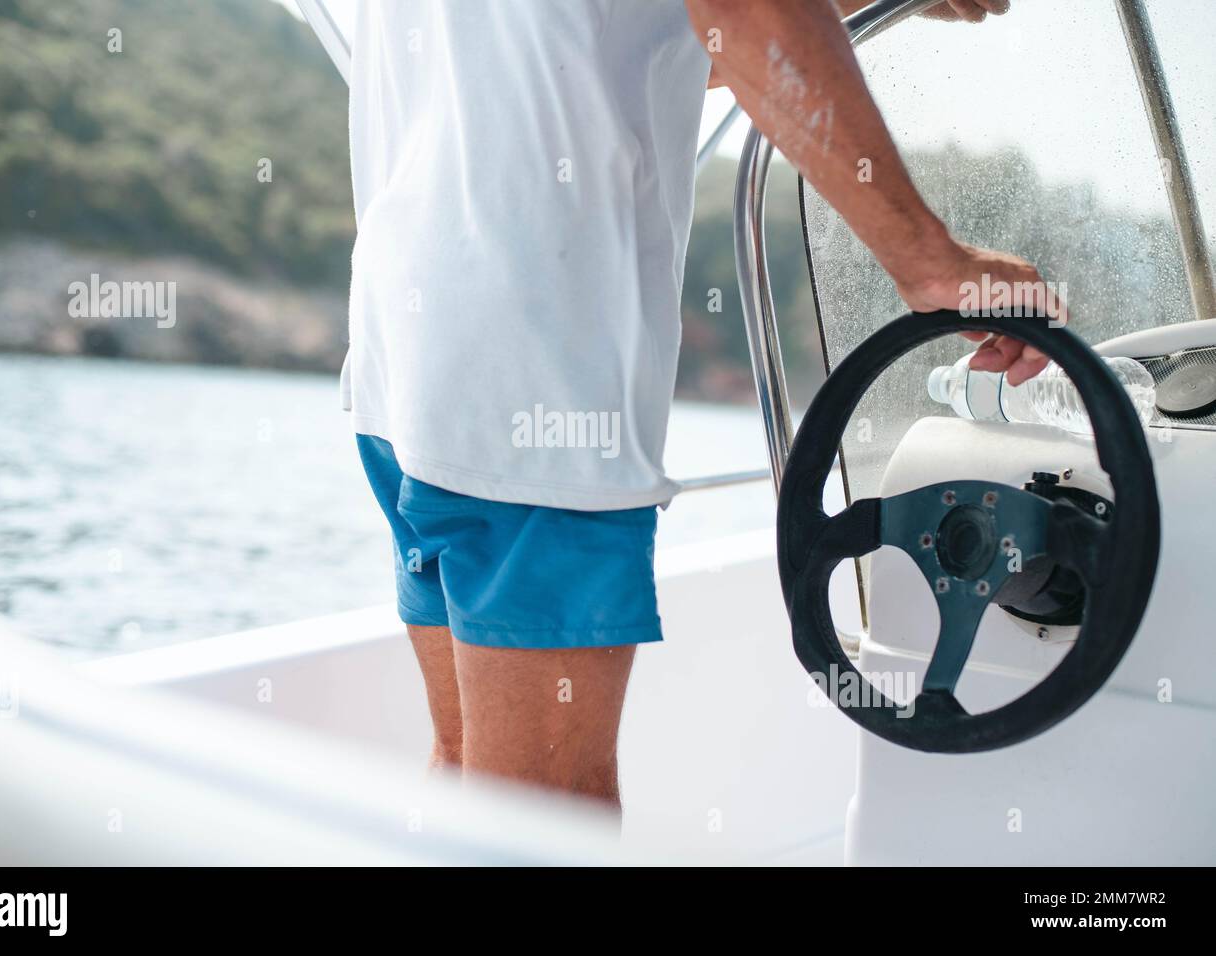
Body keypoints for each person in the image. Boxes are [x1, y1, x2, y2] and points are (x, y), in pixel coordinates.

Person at [341, 0, 1063, 810]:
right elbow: (743, 9)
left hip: (409, 353)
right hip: (535, 384)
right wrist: (934, 264)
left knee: (470, 774)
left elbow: (645, 36)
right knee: (545, 820)